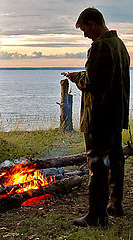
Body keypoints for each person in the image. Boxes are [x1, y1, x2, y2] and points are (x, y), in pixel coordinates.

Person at [64, 7, 130, 227]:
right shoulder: (120, 45)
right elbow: (109, 77)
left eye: (84, 29)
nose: (84, 34)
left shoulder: (100, 46)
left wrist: (76, 78)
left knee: (97, 162)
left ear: (93, 23)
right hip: (116, 113)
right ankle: (115, 204)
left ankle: (96, 216)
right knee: (116, 158)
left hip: (100, 115)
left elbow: (93, 82)